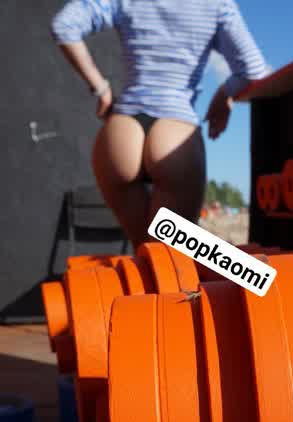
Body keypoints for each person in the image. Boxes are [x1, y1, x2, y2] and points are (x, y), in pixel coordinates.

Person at [50, 0, 269, 251]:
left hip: (121, 133)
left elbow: (64, 26)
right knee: (167, 258)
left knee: (143, 252)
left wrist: (101, 88)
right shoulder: (217, 5)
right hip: (175, 133)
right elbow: (253, 69)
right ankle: (238, 270)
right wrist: (223, 94)